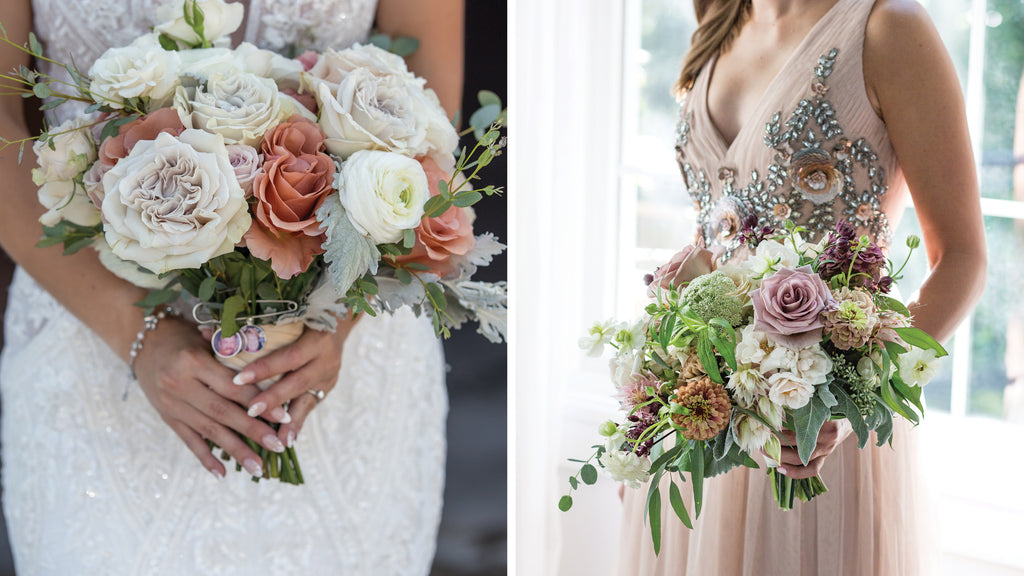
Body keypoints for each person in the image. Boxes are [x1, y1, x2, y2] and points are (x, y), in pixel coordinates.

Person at [0, 0, 463, 574]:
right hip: (93, 345)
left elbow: (433, 115)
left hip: (338, 360)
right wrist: (135, 334)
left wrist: (335, 319)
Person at [618, 0, 986, 574]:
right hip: (702, 413)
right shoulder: (721, 18)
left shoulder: (889, 27)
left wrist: (857, 395)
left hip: (815, 427)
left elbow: (963, 257)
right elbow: (720, 229)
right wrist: (650, 406)